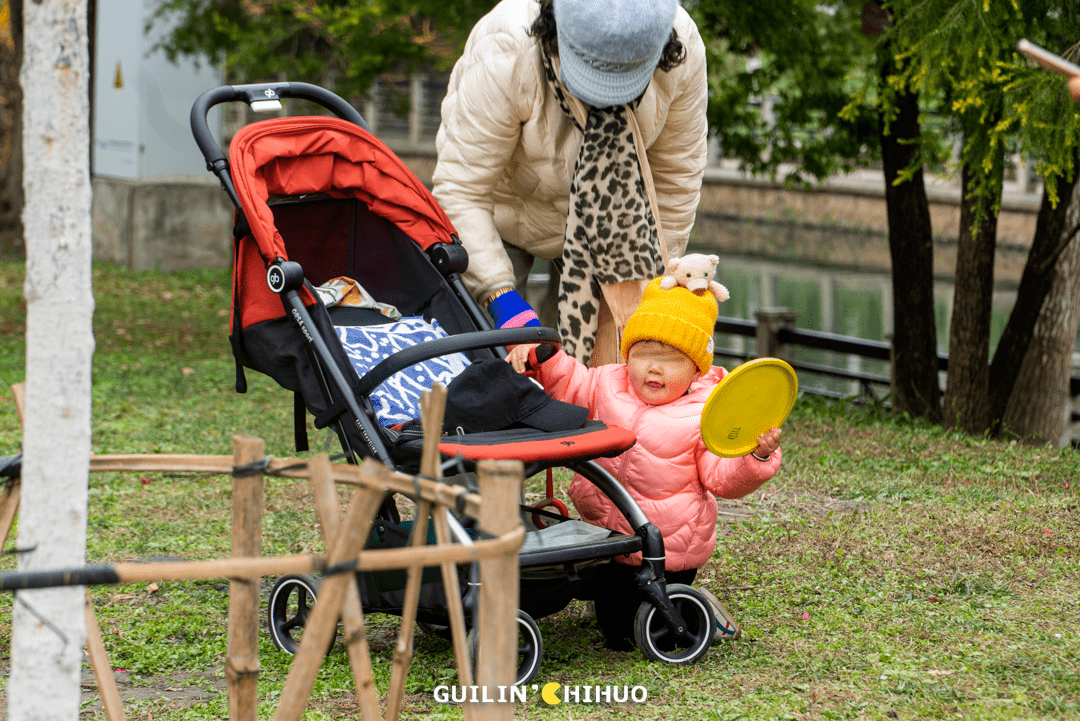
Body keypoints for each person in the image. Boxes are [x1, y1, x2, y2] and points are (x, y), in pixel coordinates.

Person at [432, 0, 708, 366]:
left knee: (594, 373)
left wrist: (658, 287)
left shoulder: (682, 49)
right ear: (555, 34)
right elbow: (461, 188)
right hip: (500, 213)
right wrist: (500, 295)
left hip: (608, 229)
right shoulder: (507, 45)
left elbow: (675, 182)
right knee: (488, 361)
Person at [517, 276, 783, 648]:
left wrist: (756, 456)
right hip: (607, 535)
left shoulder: (705, 415)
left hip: (667, 551)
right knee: (597, 605)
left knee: (625, 637)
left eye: (671, 359)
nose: (653, 369)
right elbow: (572, 382)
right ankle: (621, 604)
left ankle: (698, 610)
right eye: (643, 354)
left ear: (697, 369)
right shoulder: (609, 382)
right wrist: (549, 360)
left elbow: (723, 478)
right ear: (628, 354)